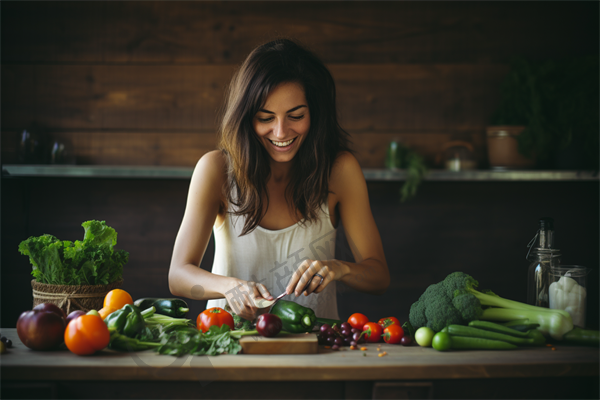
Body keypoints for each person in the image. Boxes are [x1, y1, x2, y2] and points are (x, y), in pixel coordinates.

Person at [168, 38, 390, 321]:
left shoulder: (340, 171)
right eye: (266, 118)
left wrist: (339, 268)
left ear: (315, 114)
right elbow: (178, 275)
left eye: (296, 115)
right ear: (246, 118)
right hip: (228, 344)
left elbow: (379, 277)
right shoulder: (215, 169)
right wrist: (228, 287)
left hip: (314, 350)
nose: (281, 132)